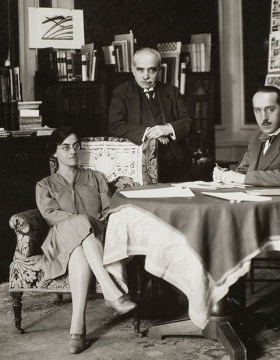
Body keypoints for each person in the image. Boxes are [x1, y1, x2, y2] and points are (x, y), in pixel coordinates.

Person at [36, 127, 136, 354]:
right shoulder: (44, 185)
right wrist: (82, 221)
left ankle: (77, 329)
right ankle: (112, 293)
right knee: (81, 225)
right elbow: (50, 215)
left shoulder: (96, 177)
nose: (72, 151)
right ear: (54, 152)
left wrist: (102, 218)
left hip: (94, 239)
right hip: (61, 240)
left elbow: (109, 208)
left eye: (75, 146)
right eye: (65, 147)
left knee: (82, 247)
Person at [107, 47, 194, 183]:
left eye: (151, 70)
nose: (145, 76)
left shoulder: (172, 92)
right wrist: (150, 133)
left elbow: (189, 122)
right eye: (140, 69)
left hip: (176, 164)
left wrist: (166, 129)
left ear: (159, 70)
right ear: (133, 69)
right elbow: (115, 125)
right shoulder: (121, 93)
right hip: (140, 165)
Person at [213, 86, 280, 187]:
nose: (263, 118)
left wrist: (240, 178)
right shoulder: (257, 135)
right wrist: (224, 175)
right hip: (255, 199)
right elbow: (243, 171)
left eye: (270, 110)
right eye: (257, 110)